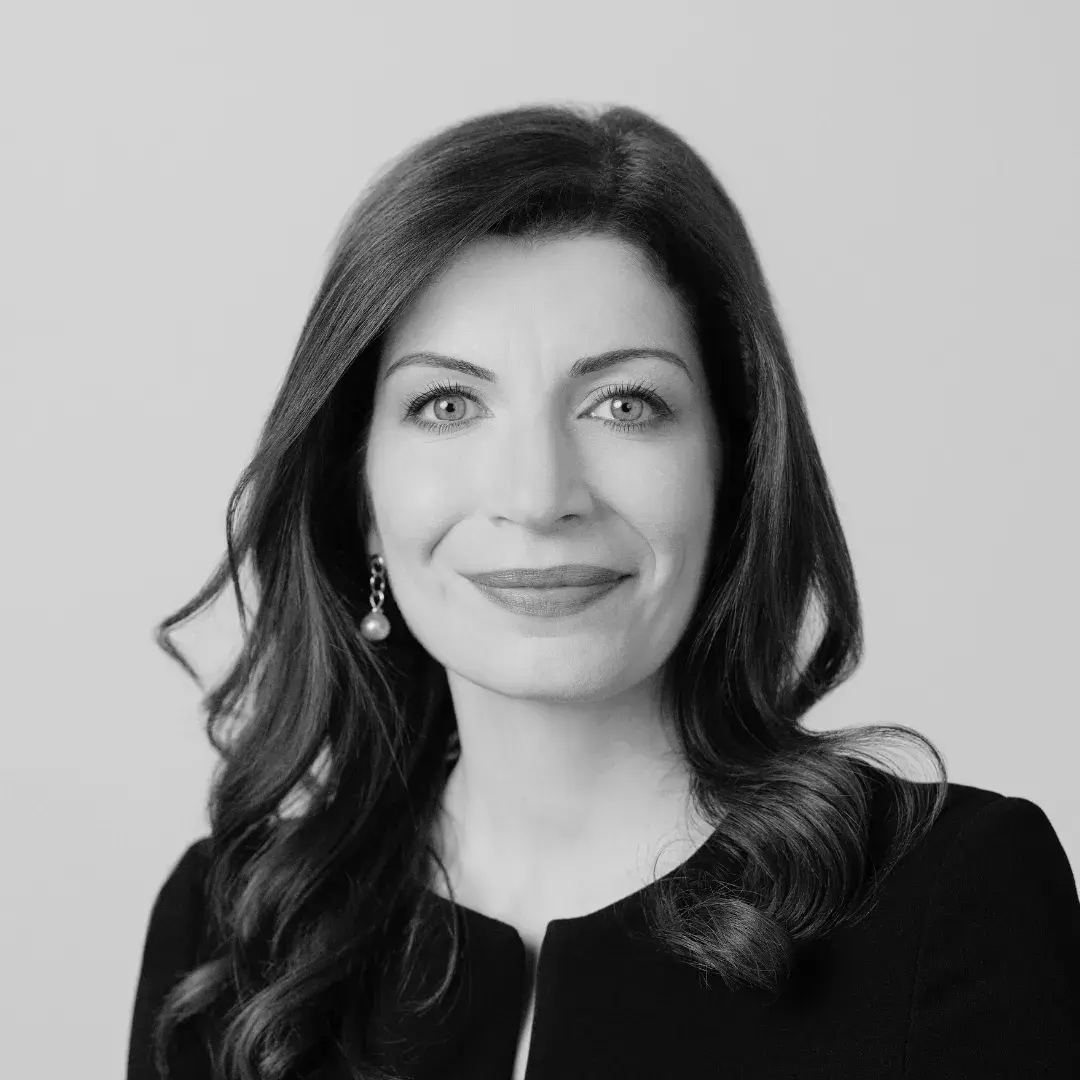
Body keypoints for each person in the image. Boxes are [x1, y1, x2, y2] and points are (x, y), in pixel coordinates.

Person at [127, 103, 1080, 1080]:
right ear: (359, 495)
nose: (539, 496)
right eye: (448, 404)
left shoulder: (954, 900)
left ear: (733, 467)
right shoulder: (230, 933)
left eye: (624, 403)